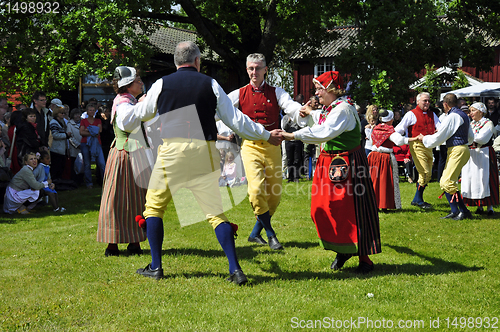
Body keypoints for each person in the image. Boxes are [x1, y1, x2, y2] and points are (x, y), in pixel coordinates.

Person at [130, 41, 282, 284]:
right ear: (198, 61)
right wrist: (265, 134)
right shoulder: (210, 83)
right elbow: (235, 119)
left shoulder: (161, 84)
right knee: (215, 213)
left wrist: (123, 116)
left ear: (175, 62)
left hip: (172, 151)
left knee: (154, 209)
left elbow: (141, 114)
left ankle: (156, 266)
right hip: (205, 150)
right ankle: (235, 270)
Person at [282, 70, 381, 274]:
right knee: (326, 208)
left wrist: (292, 136)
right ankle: (342, 248)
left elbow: (325, 131)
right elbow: (322, 120)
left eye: (319, 89)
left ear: (331, 89)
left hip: (348, 164)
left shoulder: (343, 109)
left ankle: (364, 258)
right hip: (330, 163)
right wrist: (309, 113)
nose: (316, 93)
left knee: (352, 209)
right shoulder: (332, 108)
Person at [227, 53, 303, 250]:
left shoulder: (276, 92)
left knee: (274, 195)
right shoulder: (239, 94)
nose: (254, 72)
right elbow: (221, 109)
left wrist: (300, 111)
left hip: (273, 145)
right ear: (247, 70)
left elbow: (290, 105)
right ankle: (271, 235)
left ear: (265, 70)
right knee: (255, 190)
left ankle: (254, 234)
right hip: (251, 146)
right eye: (251, 68)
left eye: (258, 68)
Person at [96, 66, 150, 257]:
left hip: (134, 153)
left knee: (136, 198)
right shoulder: (124, 102)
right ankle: (113, 243)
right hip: (125, 154)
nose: (141, 82)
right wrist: (142, 106)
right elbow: (127, 123)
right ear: (127, 85)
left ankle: (134, 242)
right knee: (118, 198)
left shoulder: (131, 100)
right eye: (138, 80)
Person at [416, 93, 474, 220]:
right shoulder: (462, 114)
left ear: (445, 104)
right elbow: (470, 136)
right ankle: (456, 211)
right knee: (445, 181)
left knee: (447, 182)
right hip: (461, 148)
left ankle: (463, 211)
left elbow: (440, 136)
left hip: (457, 150)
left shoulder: (452, 116)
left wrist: (424, 138)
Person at [395, 92, 440, 209]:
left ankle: (417, 199)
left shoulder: (432, 114)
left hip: (429, 145)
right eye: (425, 100)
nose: (427, 103)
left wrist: (438, 132)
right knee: (424, 172)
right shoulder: (411, 114)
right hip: (417, 145)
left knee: (428, 174)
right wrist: (401, 139)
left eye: (429, 101)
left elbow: (440, 127)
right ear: (417, 101)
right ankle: (418, 199)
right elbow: (399, 129)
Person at [368, 109, 417, 211]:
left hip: (373, 156)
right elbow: (399, 141)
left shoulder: (375, 128)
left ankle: (373, 204)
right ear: (390, 120)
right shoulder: (389, 130)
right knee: (385, 181)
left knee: (374, 181)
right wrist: (415, 139)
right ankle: (384, 204)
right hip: (385, 157)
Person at [461, 102, 499, 216]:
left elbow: (482, 138)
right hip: (472, 153)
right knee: (473, 178)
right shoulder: (471, 124)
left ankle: (490, 207)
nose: (471, 113)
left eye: (473, 110)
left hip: (484, 153)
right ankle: (479, 205)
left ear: (481, 111)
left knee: (484, 178)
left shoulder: (488, 123)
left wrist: (469, 138)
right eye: (470, 111)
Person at [79, 104, 106, 188]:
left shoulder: (98, 120)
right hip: (85, 143)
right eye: (90, 110)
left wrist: (88, 129)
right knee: (87, 164)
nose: (92, 112)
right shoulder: (83, 121)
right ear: (87, 111)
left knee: (102, 163)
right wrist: (93, 130)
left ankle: (105, 182)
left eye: (93, 110)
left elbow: (99, 131)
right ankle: (89, 183)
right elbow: (81, 132)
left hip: (97, 143)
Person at [49, 106, 71, 181]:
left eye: (64, 113)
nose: (63, 114)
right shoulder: (54, 122)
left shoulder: (62, 122)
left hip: (61, 150)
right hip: (56, 150)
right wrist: (66, 135)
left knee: (61, 168)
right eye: (61, 113)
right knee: (56, 168)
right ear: (56, 113)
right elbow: (54, 135)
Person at [282, 113, 303, 183]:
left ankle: (296, 177)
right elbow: (284, 127)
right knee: (289, 160)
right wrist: (289, 121)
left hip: (297, 141)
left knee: (297, 160)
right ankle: (290, 177)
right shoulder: (285, 117)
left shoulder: (298, 117)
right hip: (288, 141)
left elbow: (302, 127)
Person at [66, 108, 83, 185]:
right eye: (76, 114)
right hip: (75, 148)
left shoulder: (83, 122)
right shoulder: (69, 124)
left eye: (79, 114)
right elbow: (70, 136)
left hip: (83, 146)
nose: (77, 116)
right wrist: (77, 144)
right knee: (74, 164)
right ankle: (74, 180)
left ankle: (81, 180)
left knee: (83, 164)